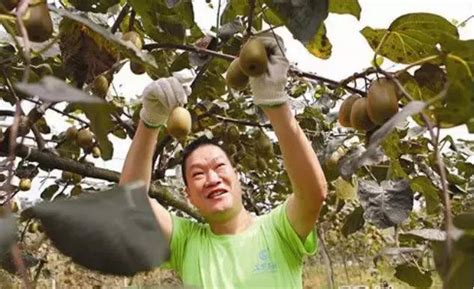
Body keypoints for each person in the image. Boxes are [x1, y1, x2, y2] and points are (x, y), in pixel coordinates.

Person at [119, 33, 327, 289]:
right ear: (188, 196)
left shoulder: (278, 229)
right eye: (197, 174)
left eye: (219, 166)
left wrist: (276, 105)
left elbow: (313, 194)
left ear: (236, 175)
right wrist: (149, 122)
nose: (212, 178)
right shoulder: (187, 242)